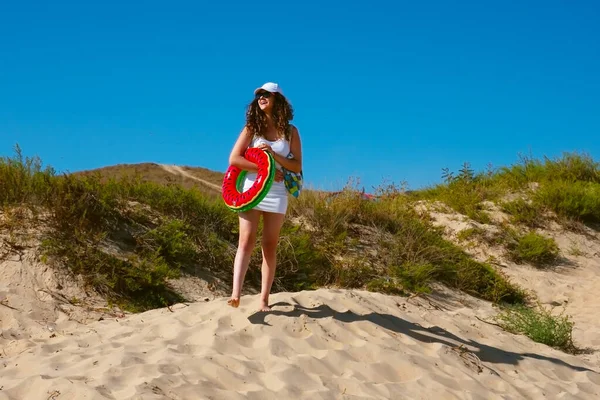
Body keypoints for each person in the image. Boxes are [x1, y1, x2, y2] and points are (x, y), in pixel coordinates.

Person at [227, 82, 303, 311]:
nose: (261, 97)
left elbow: (296, 165)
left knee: (269, 246)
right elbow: (234, 159)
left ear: (277, 99)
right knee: (246, 241)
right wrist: (263, 169)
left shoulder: (291, 132)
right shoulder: (252, 128)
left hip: (277, 192)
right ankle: (235, 294)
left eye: (266, 94)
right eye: (259, 95)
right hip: (252, 191)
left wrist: (274, 159)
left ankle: (264, 300)